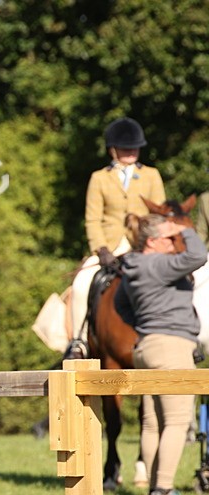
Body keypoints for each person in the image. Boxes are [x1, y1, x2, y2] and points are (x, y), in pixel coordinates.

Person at [119, 217, 208, 495]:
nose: (174, 243)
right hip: (171, 347)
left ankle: (154, 486)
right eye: (169, 238)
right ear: (153, 241)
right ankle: (164, 490)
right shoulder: (157, 264)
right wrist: (184, 228)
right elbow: (197, 255)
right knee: (178, 420)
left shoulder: (132, 268)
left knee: (152, 423)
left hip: (145, 346)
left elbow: (121, 306)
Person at [70, 117, 166, 357]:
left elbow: (159, 214)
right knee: (81, 284)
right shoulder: (99, 178)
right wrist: (101, 249)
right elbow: (92, 219)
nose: (131, 151)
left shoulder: (152, 175)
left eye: (134, 147)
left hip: (145, 245)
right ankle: (78, 342)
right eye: (125, 148)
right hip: (110, 246)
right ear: (113, 149)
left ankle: (183, 337)